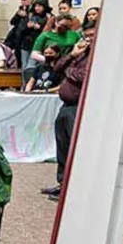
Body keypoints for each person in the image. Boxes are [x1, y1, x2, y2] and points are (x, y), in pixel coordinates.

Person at [44, 25, 96, 200]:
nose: (87, 39)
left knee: (73, 149)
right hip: (65, 105)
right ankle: (62, 184)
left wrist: (69, 71)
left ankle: (71, 189)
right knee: (63, 147)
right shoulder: (80, 54)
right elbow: (57, 67)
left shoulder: (97, 57)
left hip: (78, 107)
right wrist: (72, 56)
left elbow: (83, 77)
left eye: (91, 36)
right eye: (86, 36)